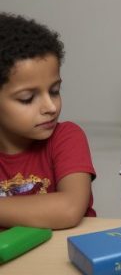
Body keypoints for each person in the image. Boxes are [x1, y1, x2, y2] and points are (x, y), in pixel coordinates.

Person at [0, 13, 96, 229]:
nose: (51, 107)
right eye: (27, 98)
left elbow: (69, 208)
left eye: (54, 91)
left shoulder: (67, 137)